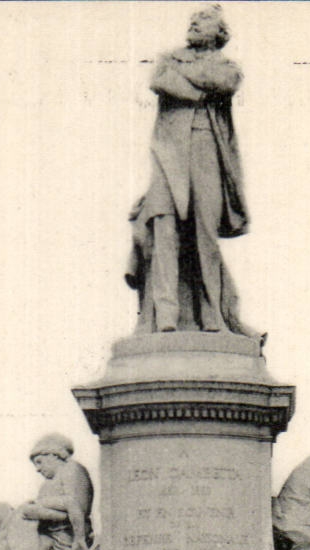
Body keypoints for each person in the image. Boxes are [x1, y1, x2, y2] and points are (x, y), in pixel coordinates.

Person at [126, 4, 253, 336]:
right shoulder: (170, 58)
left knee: (204, 233)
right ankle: (165, 313)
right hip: (168, 152)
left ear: (219, 33)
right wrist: (201, 88)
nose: (195, 23)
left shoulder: (226, 65)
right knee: (163, 227)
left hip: (206, 148)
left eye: (204, 20)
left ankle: (213, 314)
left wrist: (190, 81)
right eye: (193, 20)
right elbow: (161, 81)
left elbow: (227, 82)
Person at [18, 434, 94, 550]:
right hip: (48, 545)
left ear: (54, 455)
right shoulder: (48, 483)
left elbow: (76, 508)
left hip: (68, 545)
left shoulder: (73, 471)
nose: (38, 469)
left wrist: (36, 508)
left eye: (40, 462)